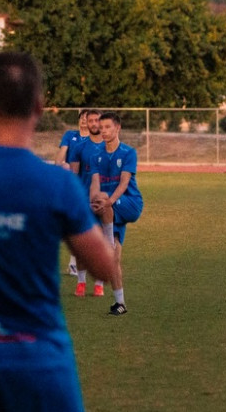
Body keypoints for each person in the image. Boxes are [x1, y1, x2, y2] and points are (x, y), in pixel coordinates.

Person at [0, 52, 117, 411]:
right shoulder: (57, 186)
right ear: (39, 107)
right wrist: (100, 212)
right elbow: (105, 268)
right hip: (39, 366)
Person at [90, 111, 144, 315]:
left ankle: (108, 240)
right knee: (113, 260)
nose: (103, 131)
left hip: (130, 203)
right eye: (101, 127)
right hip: (109, 211)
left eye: (107, 127)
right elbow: (94, 183)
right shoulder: (96, 155)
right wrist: (94, 201)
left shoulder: (128, 152)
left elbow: (124, 182)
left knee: (103, 199)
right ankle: (120, 303)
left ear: (117, 128)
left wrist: (107, 201)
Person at [66, 109, 105, 296]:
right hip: (84, 202)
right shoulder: (79, 147)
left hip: (103, 202)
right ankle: (81, 282)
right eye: (91, 121)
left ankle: (99, 284)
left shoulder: (109, 146)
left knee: (102, 244)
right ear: (86, 123)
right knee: (82, 244)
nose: (94, 124)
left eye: (98, 120)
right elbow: (73, 176)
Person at [58, 109, 93, 276]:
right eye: (82, 117)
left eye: (88, 118)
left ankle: (81, 261)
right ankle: (74, 263)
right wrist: (63, 164)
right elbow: (60, 157)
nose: (85, 120)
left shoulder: (95, 139)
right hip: (73, 186)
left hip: (90, 186)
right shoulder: (70, 135)